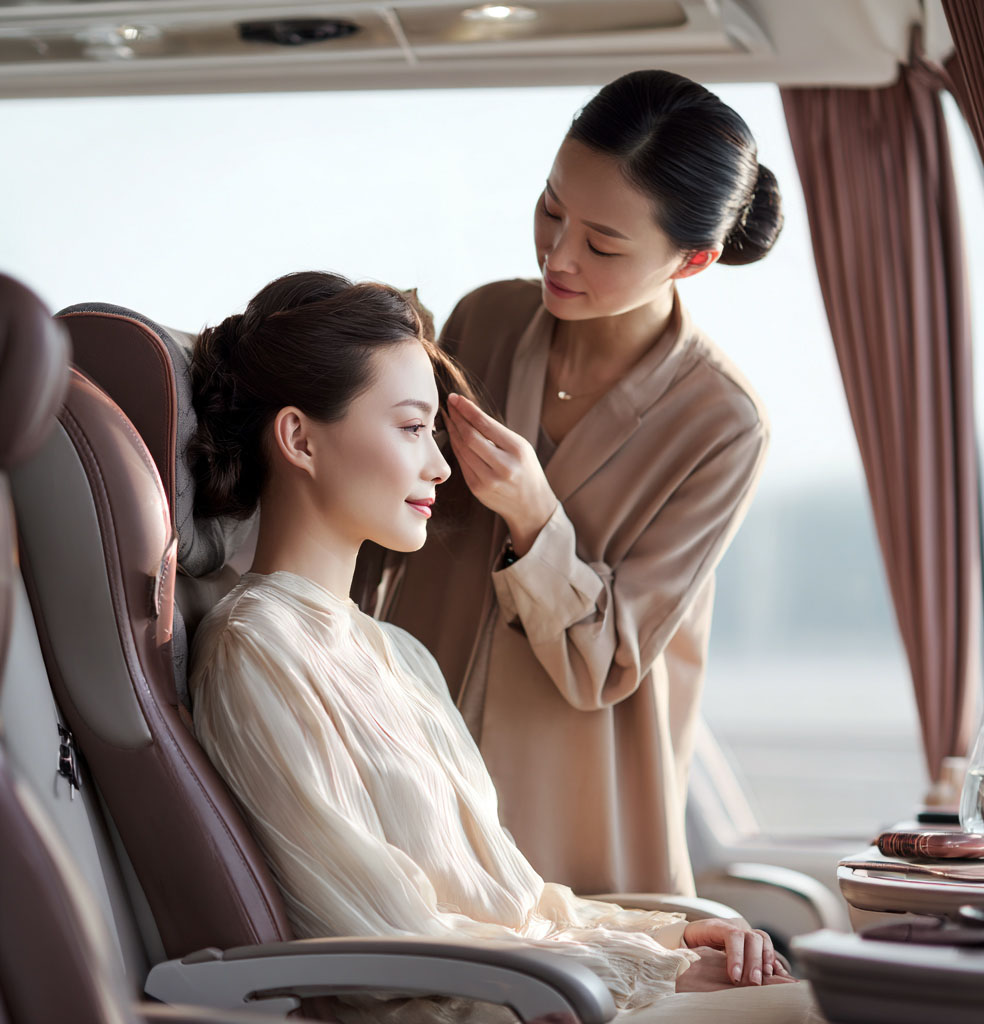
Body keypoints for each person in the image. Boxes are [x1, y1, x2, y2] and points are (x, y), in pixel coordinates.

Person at [187, 272, 820, 1023]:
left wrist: (672, 935)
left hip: (545, 989)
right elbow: (384, 936)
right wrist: (652, 971)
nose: (442, 467)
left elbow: (520, 904)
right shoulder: (255, 648)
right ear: (298, 437)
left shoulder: (398, 656)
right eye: (411, 428)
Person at [356, 69, 781, 898]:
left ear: (692, 261)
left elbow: (608, 666)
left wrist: (535, 515)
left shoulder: (722, 424)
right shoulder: (484, 320)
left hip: (577, 806)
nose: (558, 255)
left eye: (605, 244)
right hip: (416, 761)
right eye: (552, 209)